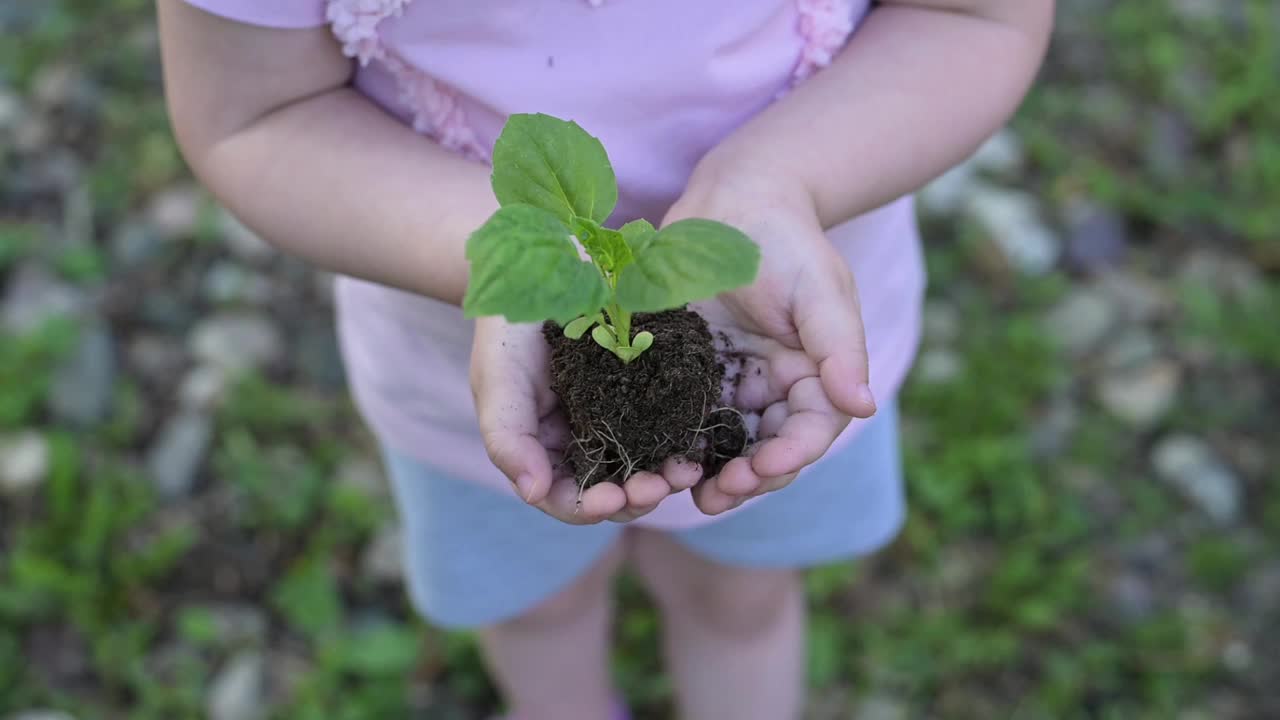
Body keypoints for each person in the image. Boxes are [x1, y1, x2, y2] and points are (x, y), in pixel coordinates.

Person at [156, 1, 1053, 717]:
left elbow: (972, 17)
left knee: (741, 600)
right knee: (535, 609)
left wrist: (782, 180)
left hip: (780, 338)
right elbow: (255, 113)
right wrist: (509, 262)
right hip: (470, 387)